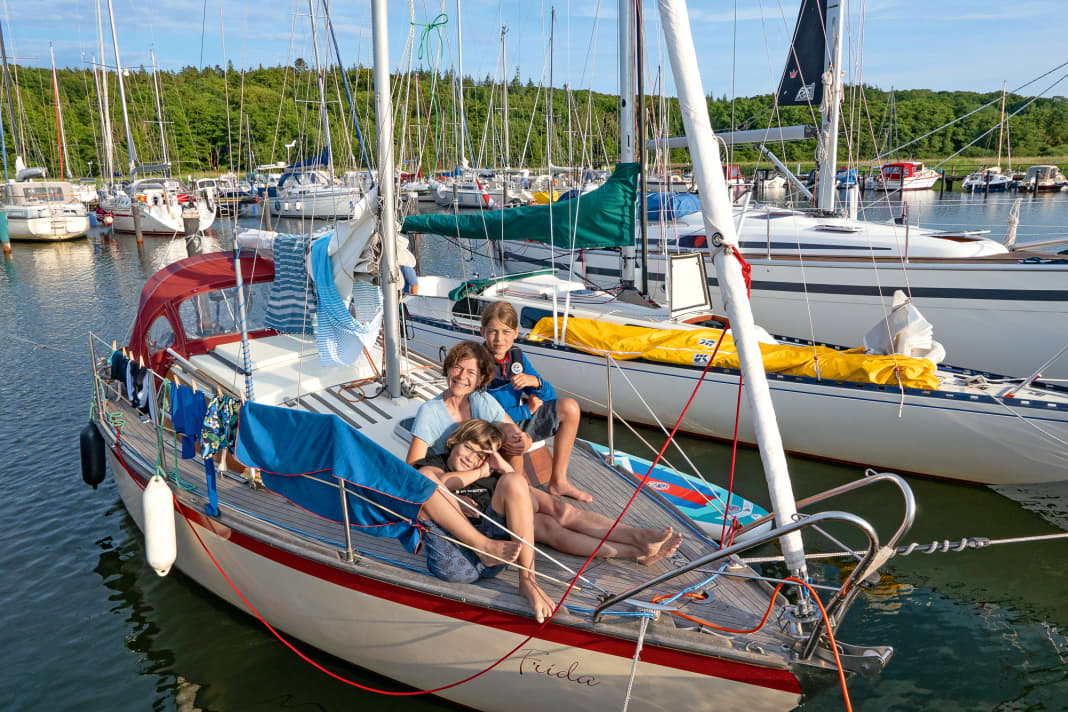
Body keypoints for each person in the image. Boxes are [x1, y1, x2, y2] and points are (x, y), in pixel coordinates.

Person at [407, 341, 555, 622]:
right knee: (425, 479)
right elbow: (411, 471)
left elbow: (510, 429)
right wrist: (454, 497)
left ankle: (528, 579)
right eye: (458, 367)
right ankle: (482, 545)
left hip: (497, 554)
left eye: (471, 372)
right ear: (448, 368)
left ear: (480, 380)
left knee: (516, 483)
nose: (462, 375)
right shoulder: (430, 411)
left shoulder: (480, 402)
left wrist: (514, 438)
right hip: (457, 561)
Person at [479, 301, 591, 503]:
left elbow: (550, 397)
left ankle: (558, 481)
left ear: (515, 333)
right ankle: (520, 495)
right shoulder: (477, 363)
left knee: (570, 408)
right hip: (493, 428)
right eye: (492, 332)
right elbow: (489, 416)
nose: (499, 339)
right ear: (482, 332)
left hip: (517, 419)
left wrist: (535, 382)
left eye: (505, 332)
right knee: (516, 439)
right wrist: (527, 410)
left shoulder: (516, 358)